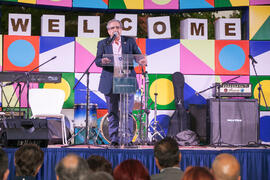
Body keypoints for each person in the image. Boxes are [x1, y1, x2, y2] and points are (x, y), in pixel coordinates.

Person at [95, 19, 147, 146]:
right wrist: (103, 61)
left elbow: (138, 55)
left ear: (121, 29)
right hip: (110, 81)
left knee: (127, 112)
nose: (115, 30)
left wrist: (141, 60)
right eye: (112, 28)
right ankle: (114, 140)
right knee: (113, 112)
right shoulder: (103, 43)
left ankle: (127, 140)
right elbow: (97, 60)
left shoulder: (129, 41)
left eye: (118, 27)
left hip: (126, 80)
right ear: (108, 31)